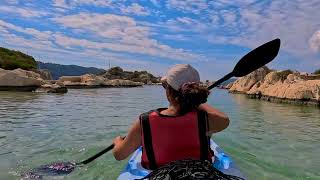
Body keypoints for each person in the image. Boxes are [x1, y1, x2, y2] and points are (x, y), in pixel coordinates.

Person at [112, 64, 229, 170]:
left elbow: (119, 155)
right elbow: (224, 119)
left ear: (168, 91)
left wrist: (117, 142)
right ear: (196, 92)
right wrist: (195, 100)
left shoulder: (145, 121)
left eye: (165, 86)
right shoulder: (208, 120)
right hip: (199, 174)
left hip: (157, 174)